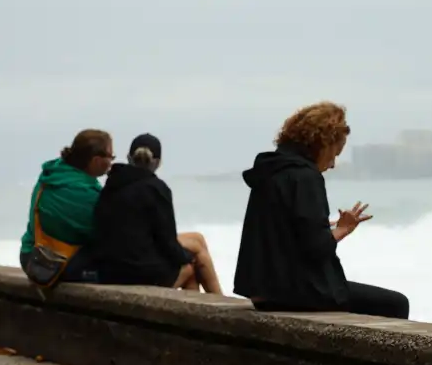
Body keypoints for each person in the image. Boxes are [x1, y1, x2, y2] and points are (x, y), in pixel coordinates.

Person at [233, 101, 410, 319]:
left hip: (263, 290)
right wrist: (342, 229)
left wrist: (320, 225)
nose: (333, 164)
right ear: (322, 144)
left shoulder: (271, 170)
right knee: (397, 304)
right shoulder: (306, 177)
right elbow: (316, 248)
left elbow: (282, 232)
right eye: (335, 153)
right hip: (293, 291)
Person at [92, 134, 222, 293]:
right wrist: (189, 258)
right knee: (193, 264)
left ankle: (205, 308)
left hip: (110, 268)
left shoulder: (111, 185)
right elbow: (167, 243)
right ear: (158, 162)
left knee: (197, 238)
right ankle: (222, 302)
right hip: (137, 273)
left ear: (128, 157)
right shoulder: (156, 189)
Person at [19, 129, 114, 282]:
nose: (111, 163)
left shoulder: (53, 174)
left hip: (30, 253)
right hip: (52, 263)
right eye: (111, 156)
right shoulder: (84, 193)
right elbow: (102, 234)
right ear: (96, 160)